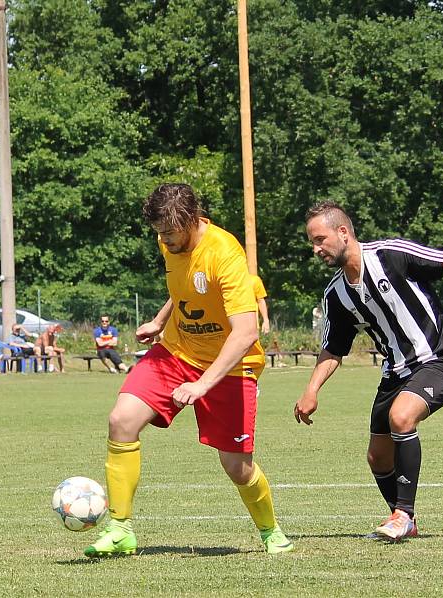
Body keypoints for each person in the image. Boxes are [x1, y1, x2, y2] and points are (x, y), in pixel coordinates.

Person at [84, 183, 293, 558]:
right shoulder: (170, 241)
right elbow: (184, 289)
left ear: (192, 220)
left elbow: (245, 333)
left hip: (231, 366)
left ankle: (270, 531)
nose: (163, 240)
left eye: (169, 232)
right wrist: (160, 321)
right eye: (159, 233)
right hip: (177, 351)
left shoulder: (225, 253)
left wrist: (201, 385)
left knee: (237, 467)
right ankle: (120, 530)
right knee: (121, 420)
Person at [294, 201, 443, 541]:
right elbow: (334, 349)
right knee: (378, 457)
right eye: (312, 242)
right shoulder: (336, 295)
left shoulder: (390, 255)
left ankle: (403, 515)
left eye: (320, 239)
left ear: (343, 232)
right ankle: (404, 520)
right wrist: (311, 390)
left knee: (402, 417)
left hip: (438, 359)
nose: (316, 248)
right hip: (394, 372)